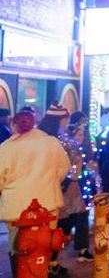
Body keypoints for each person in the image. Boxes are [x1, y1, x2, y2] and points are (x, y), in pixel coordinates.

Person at [0, 109, 71, 277]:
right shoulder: (51, 142)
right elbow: (64, 169)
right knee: (43, 247)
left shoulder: (6, 148)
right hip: (48, 205)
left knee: (18, 248)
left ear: (14, 125)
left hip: (16, 208)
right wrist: (50, 182)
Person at [58, 124, 94, 262]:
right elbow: (72, 172)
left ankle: (82, 249)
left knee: (80, 218)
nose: (81, 138)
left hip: (81, 188)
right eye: (78, 135)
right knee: (70, 219)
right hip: (72, 190)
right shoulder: (70, 151)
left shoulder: (81, 150)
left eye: (82, 135)